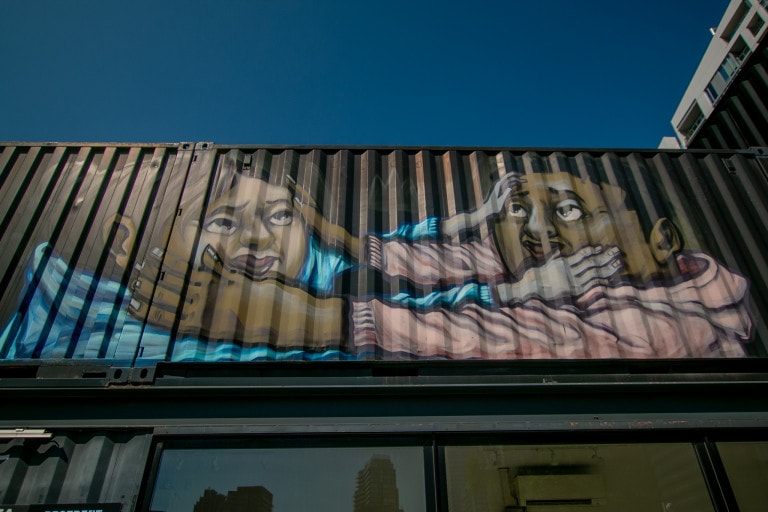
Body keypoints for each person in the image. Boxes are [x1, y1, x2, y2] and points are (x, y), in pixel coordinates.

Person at [352, 171, 753, 359]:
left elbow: (501, 333)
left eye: (569, 210)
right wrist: (480, 214)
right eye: (517, 211)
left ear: (660, 240)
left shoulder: (685, 324)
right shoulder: (525, 263)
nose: (536, 230)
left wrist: (341, 319)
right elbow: (382, 252)